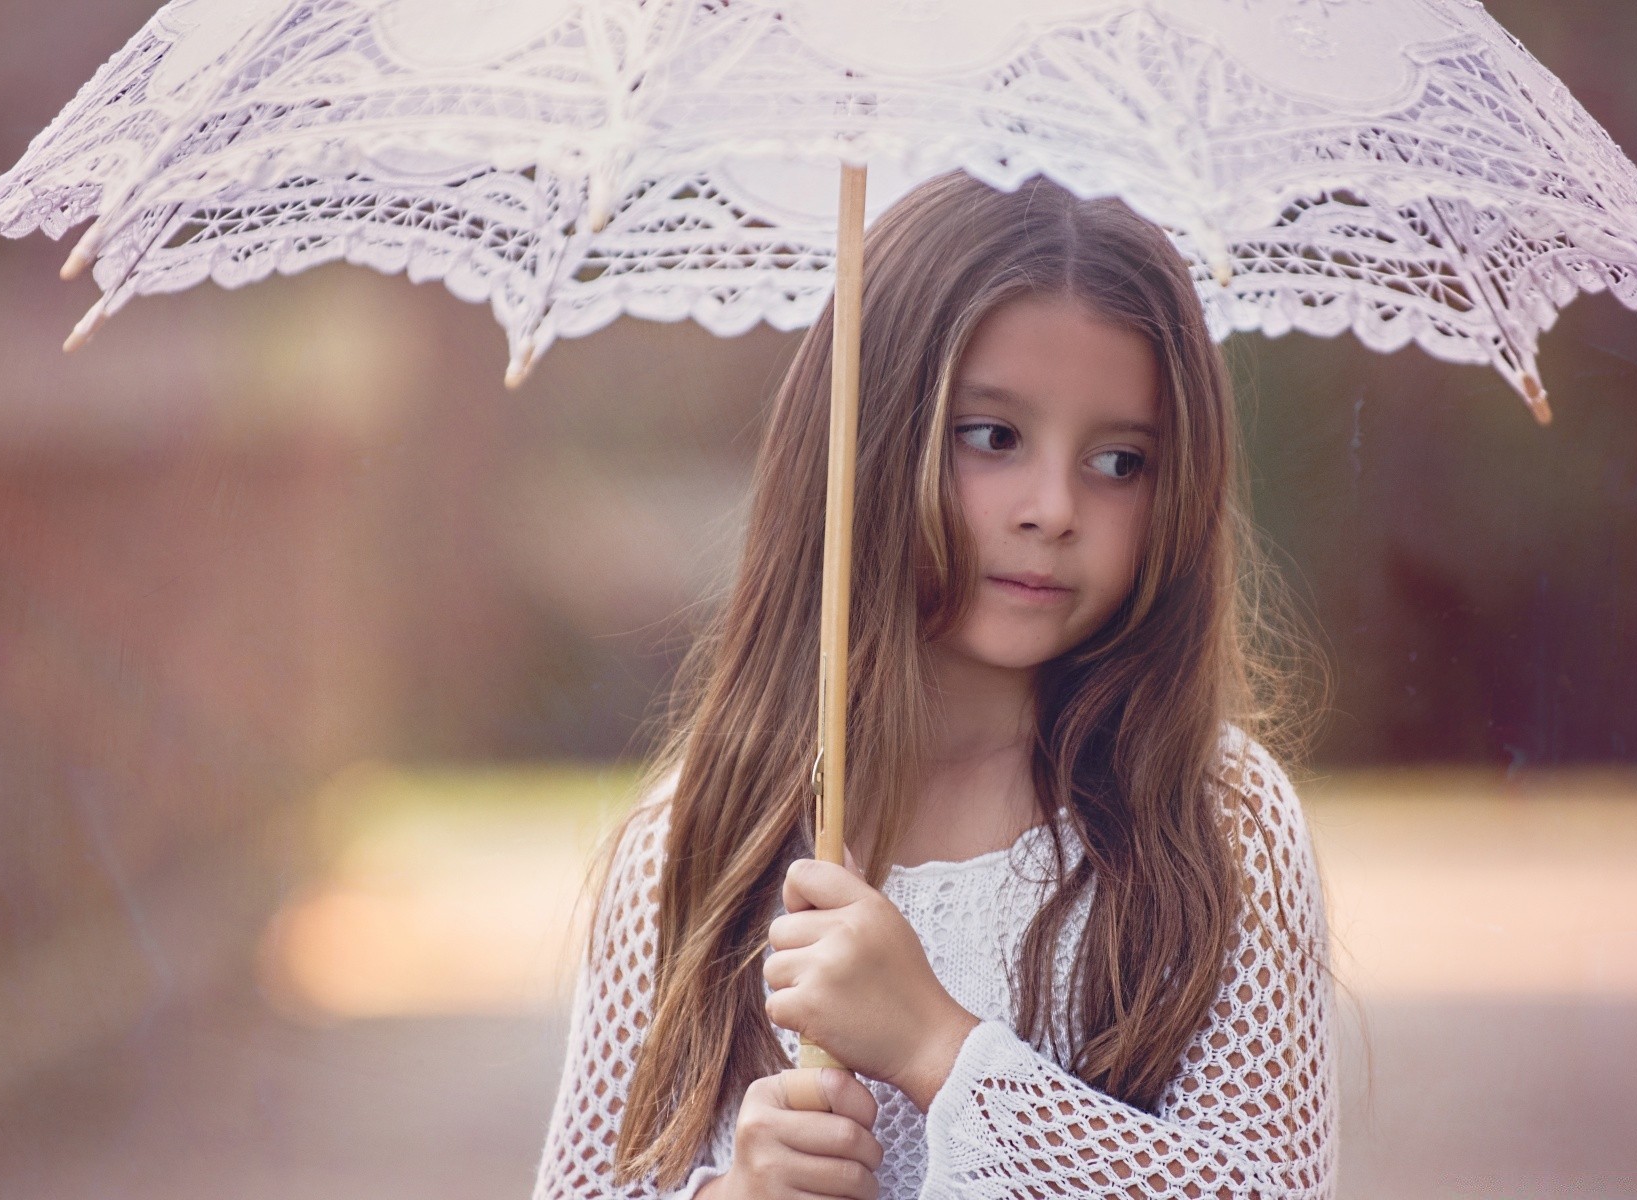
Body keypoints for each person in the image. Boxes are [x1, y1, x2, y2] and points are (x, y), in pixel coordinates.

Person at [531, 170, 1336, 1199]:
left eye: (1121, 461)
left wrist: (940, 1050)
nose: (1053, 507)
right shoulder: (702, 839)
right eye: (992, 437)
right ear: (865, 440)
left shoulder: (1216, 820)